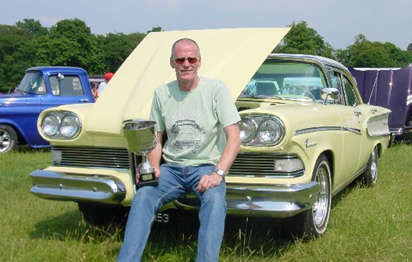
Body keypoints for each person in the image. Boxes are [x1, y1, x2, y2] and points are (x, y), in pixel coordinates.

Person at [117, 38, 241, 262]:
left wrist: (218, 173)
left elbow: (234, 136)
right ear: (172, 63)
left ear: (199, 62)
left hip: (205, 168)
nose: (186, 63)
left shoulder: (216, 89)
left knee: (214, 202)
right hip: (171, 169)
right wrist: (152, 167)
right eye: (180, 59)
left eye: (191, 58)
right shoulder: (161, 93)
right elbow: (157, 138)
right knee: (143, 196)